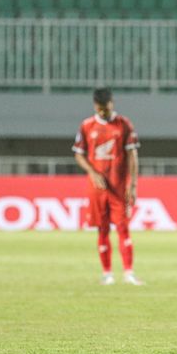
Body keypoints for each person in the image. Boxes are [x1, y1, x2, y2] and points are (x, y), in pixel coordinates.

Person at [72, 88, 143, 285]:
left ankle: (128, 273)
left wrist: (134, 184)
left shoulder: (124, 124)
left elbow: (132, 155)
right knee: (102, 229)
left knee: (123, 228)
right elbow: (79, 154)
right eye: (99, 109)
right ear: (95, 106)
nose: (103, 112)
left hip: (119, 187)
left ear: (112, 103)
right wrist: (93, 172)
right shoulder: (87, 126)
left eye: (106, 108)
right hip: (97, 188)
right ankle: (107, 273)